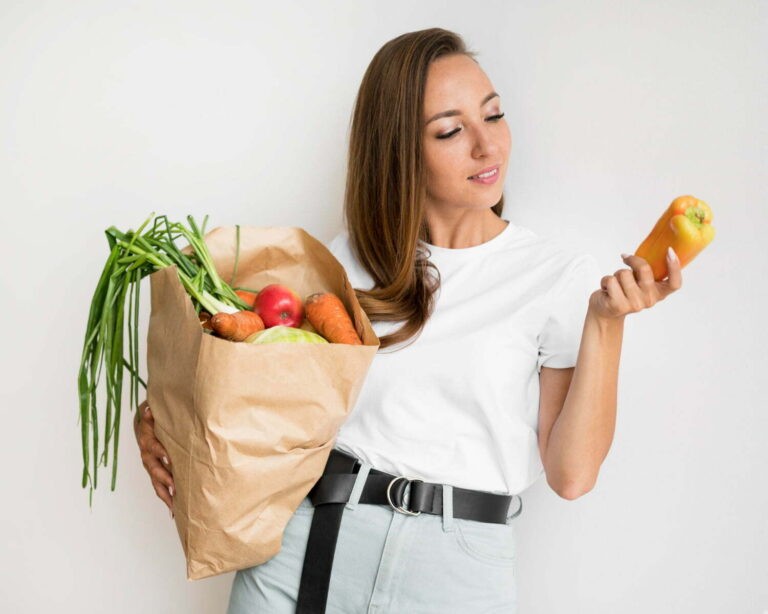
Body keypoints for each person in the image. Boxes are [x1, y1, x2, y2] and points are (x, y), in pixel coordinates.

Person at [134, 27, 682, 613]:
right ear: (399, 151)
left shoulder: (553, 277)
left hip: (454, 572)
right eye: (450, 130)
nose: (487, 146)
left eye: (493, 116)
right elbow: (260, 392)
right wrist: (163, 416)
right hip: (307, 548)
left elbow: (572, 476)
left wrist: (605, 323)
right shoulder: (341, 264)